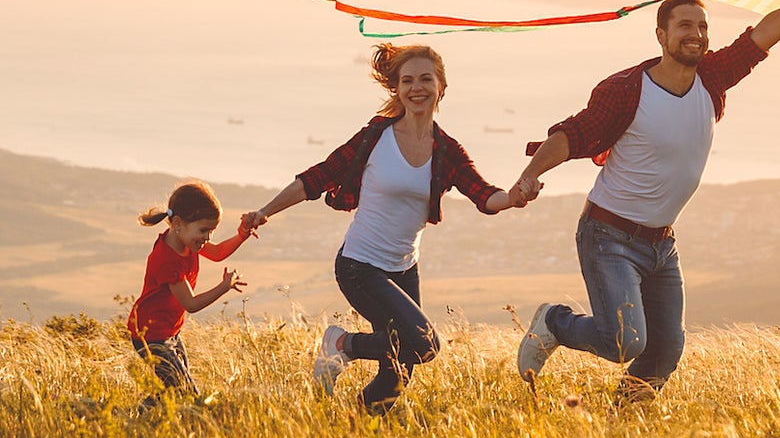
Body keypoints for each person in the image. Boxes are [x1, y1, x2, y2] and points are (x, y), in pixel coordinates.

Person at [513, 0, 780, 401]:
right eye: (684, 26)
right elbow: (574, 134)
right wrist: (530, 176)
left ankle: (623, 422)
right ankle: (554, 322)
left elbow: (770, 30)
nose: (695, 35)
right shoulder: (626, 91)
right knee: (625, 342)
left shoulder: (712, 77)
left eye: (702, 26)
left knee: (666, 349)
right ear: (661, 35)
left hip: (661, 243)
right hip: (608, 236)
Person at [242, 43, 534, 415]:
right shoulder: (375, 137)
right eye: (407, 80)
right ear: (396, 88)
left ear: (442, 87)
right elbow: (318, 177)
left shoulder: (446, 150)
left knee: (398, 373)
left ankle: (355, 425)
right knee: (424, 345)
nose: (417, 88)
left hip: (404, 268)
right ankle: (343, 344)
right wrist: (265, 210)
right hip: (359, 265)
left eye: (426, 79)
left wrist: (515, 196)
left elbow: (485, 195)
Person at [128, 180, 250, 397]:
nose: (208, 238)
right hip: (150, 336)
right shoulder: (168, 259)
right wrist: (224, 287)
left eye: (211, 231)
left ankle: (140, 417)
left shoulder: (186, 242)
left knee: (173, 390)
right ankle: (135, 418)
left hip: (169, 332)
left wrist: (242, 235)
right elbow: (191, 304)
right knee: (186, 394)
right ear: (177, 223)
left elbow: (217, 252)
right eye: (203, 230)